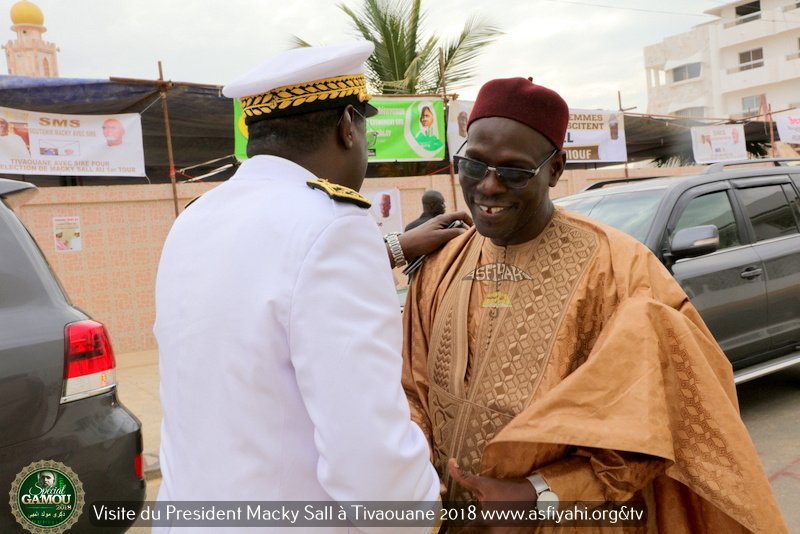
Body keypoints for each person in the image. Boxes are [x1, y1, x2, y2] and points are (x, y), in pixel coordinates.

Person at [401, 77, 787, 532]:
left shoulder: (622, 272)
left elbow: (665, 422)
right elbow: (411, 389)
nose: (488, 186)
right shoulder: (442, 264)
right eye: (474, 165)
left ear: (556, 169)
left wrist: (540, 494)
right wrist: (418, 481)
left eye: (514, 171)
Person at [153, 41, 469, 532]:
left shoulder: (194, 220)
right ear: (347, 126)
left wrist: (392, 248)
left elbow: (266, 296)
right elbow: (366, 451)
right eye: (365, 130)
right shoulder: (335, 226)